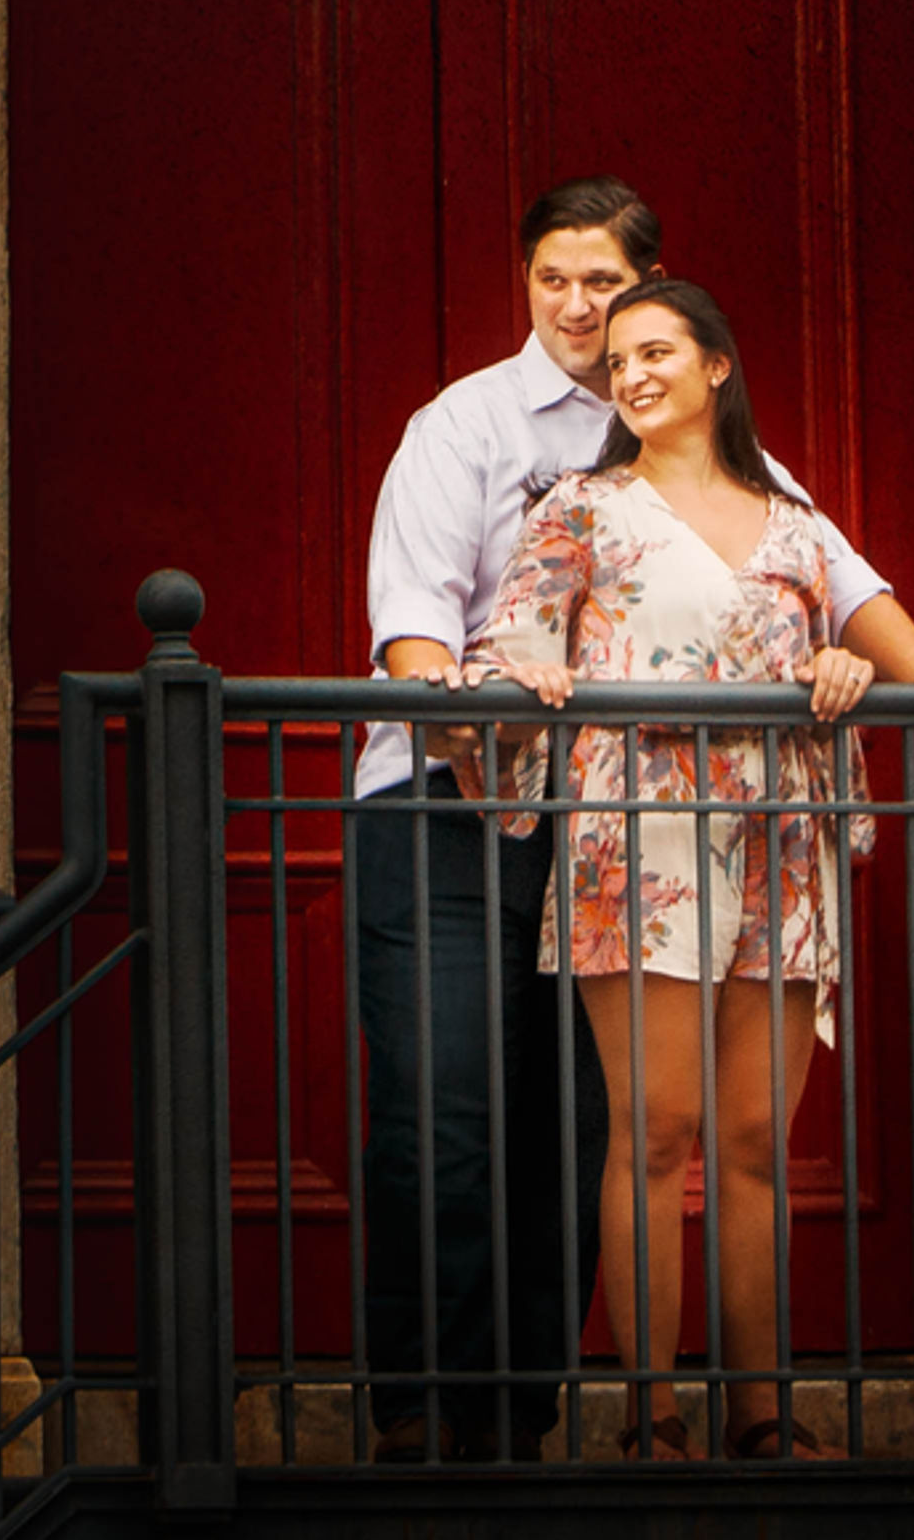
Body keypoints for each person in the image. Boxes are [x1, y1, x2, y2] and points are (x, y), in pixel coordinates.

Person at [469, 275, 914, 1464]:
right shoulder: (580, 508)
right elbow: (504, 651)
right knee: (655, 1132)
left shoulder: (792, 521)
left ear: (717, 364)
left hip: (776, 844)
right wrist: (530, 682)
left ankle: (762, 1409)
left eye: (656, 351)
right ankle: (649, 1414)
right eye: (616, 363)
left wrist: (882, 677)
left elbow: (884, 642)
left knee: (755, 1136)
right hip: (638, 836)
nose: (632, 377)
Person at [345, 175, 658, 1465]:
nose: (578, 304)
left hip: (600, 827)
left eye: (601, 280)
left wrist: (911, 665)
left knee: (572, 1123)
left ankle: (519, 1417)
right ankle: (421, 1410)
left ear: (642, 283)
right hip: (442, 810)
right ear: (524, 283)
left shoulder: (679, 428)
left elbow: (795, 560)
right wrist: (478, 736)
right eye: (553, 278)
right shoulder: (462, 425)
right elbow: (412, 625)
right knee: (448, 1112)